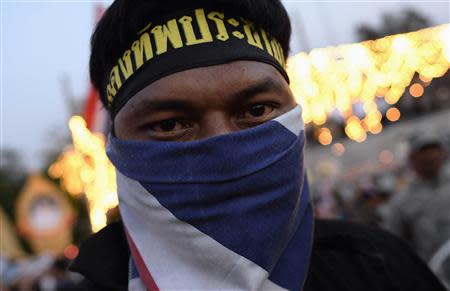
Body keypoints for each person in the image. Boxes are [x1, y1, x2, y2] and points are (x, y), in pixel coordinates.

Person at [70, 1, 447, 290]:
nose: (226, 146)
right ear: (115, 148)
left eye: (256, 110)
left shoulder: (379, 270)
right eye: (169, 124)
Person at [382, 132, 450, 283]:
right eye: (423, 151)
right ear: (412, 158)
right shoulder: (401, 202)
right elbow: (394, 247)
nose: (430, 156)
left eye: (434, 149)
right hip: (435, 278)